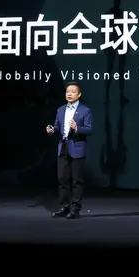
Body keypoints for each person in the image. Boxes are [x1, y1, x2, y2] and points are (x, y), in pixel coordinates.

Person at [46, 82, 93, 219]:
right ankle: (64, 207)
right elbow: (57, 126)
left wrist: (77, 128)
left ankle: (75, 209)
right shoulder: (60, 110)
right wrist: (52, 129)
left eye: (73, 92)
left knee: (77, 180)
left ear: (79, 94)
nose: (69, 94)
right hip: (63, 146)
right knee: (62, 179)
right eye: (67, 92)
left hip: (77, 148)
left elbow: (89, 129)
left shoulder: (85, 110)